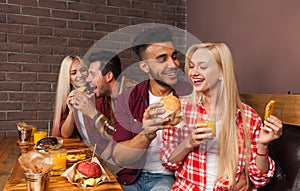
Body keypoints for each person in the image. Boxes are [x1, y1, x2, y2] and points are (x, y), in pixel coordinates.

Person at [160, 42, 283, 190]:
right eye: (191, 66)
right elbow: (168, 160)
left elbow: (259, 178)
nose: (193, 72)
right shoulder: (182, 110)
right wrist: (189, 143)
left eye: (203, 67)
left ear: (221, 72)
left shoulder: (248, 117)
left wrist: (263, 146)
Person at [111, 27, 193, 191]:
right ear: (145, 67)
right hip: (132, 178)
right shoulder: (128, 98)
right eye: (162, 59)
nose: (173, 64)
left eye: (174, 57)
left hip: (169, 178)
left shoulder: (190, 93)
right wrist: (146, 135)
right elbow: (119, 157)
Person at [72, 50, 122, 158]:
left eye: (93, 74)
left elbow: (121, 135)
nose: (88, 79)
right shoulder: (110, 97)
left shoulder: (130, 96)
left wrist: (92, 112)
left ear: (109, 76)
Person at [52, 55, 88, 138]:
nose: (80, 75)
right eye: (74, 73)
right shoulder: (70, 98)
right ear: (68, 78)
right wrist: (71, 112)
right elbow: (65, 134)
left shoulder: (98, 93)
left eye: (83, 70)